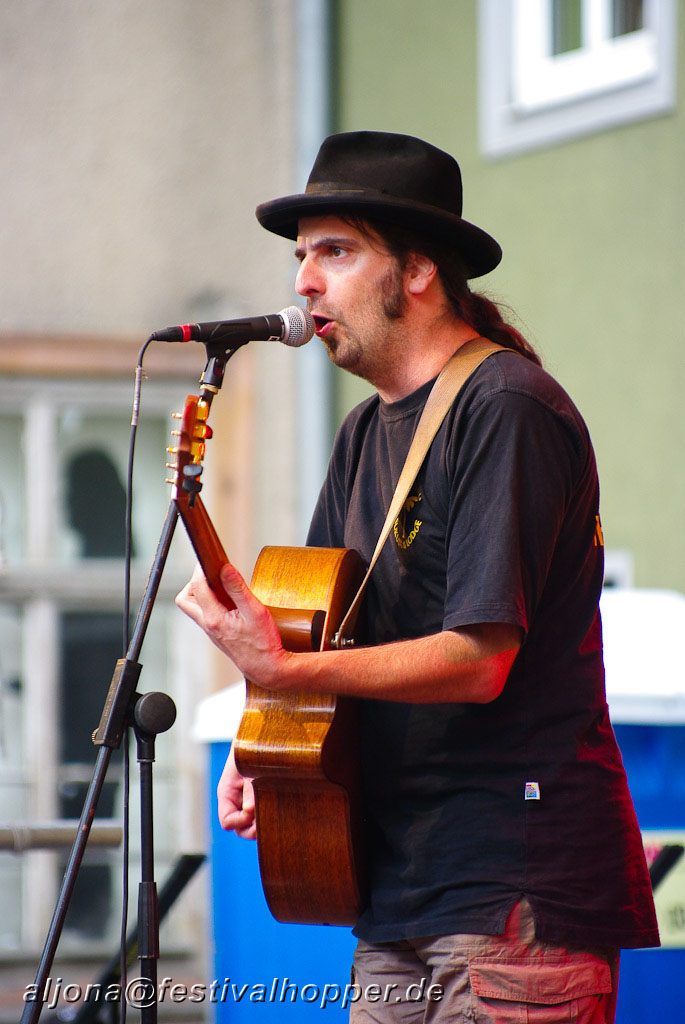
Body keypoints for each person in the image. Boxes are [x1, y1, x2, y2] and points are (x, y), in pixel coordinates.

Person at [176, 131, 659, 1022]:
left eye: (335, 252)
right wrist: (260, 742)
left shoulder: (504, 406)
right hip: (396, 888)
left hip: (513, 891)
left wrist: (285, 674)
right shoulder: (364, 434)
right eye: (300, 256)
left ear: (419, 270)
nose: (302, 282)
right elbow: (316, 629)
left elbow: (479, 660)